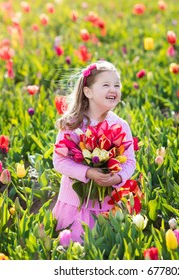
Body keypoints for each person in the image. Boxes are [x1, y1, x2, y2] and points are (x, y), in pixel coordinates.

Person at [52, 61, 136, 243]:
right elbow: (59, 161)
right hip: (74, 204)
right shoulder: (72, 124)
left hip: (108, 204)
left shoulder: (120, 125)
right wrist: (88, 172)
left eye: (117, 85)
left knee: (105, 249)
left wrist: (118, 178)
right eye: (106, 85)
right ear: (88, 92)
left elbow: (129, 161)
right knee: (74, 250)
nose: (113, 89)